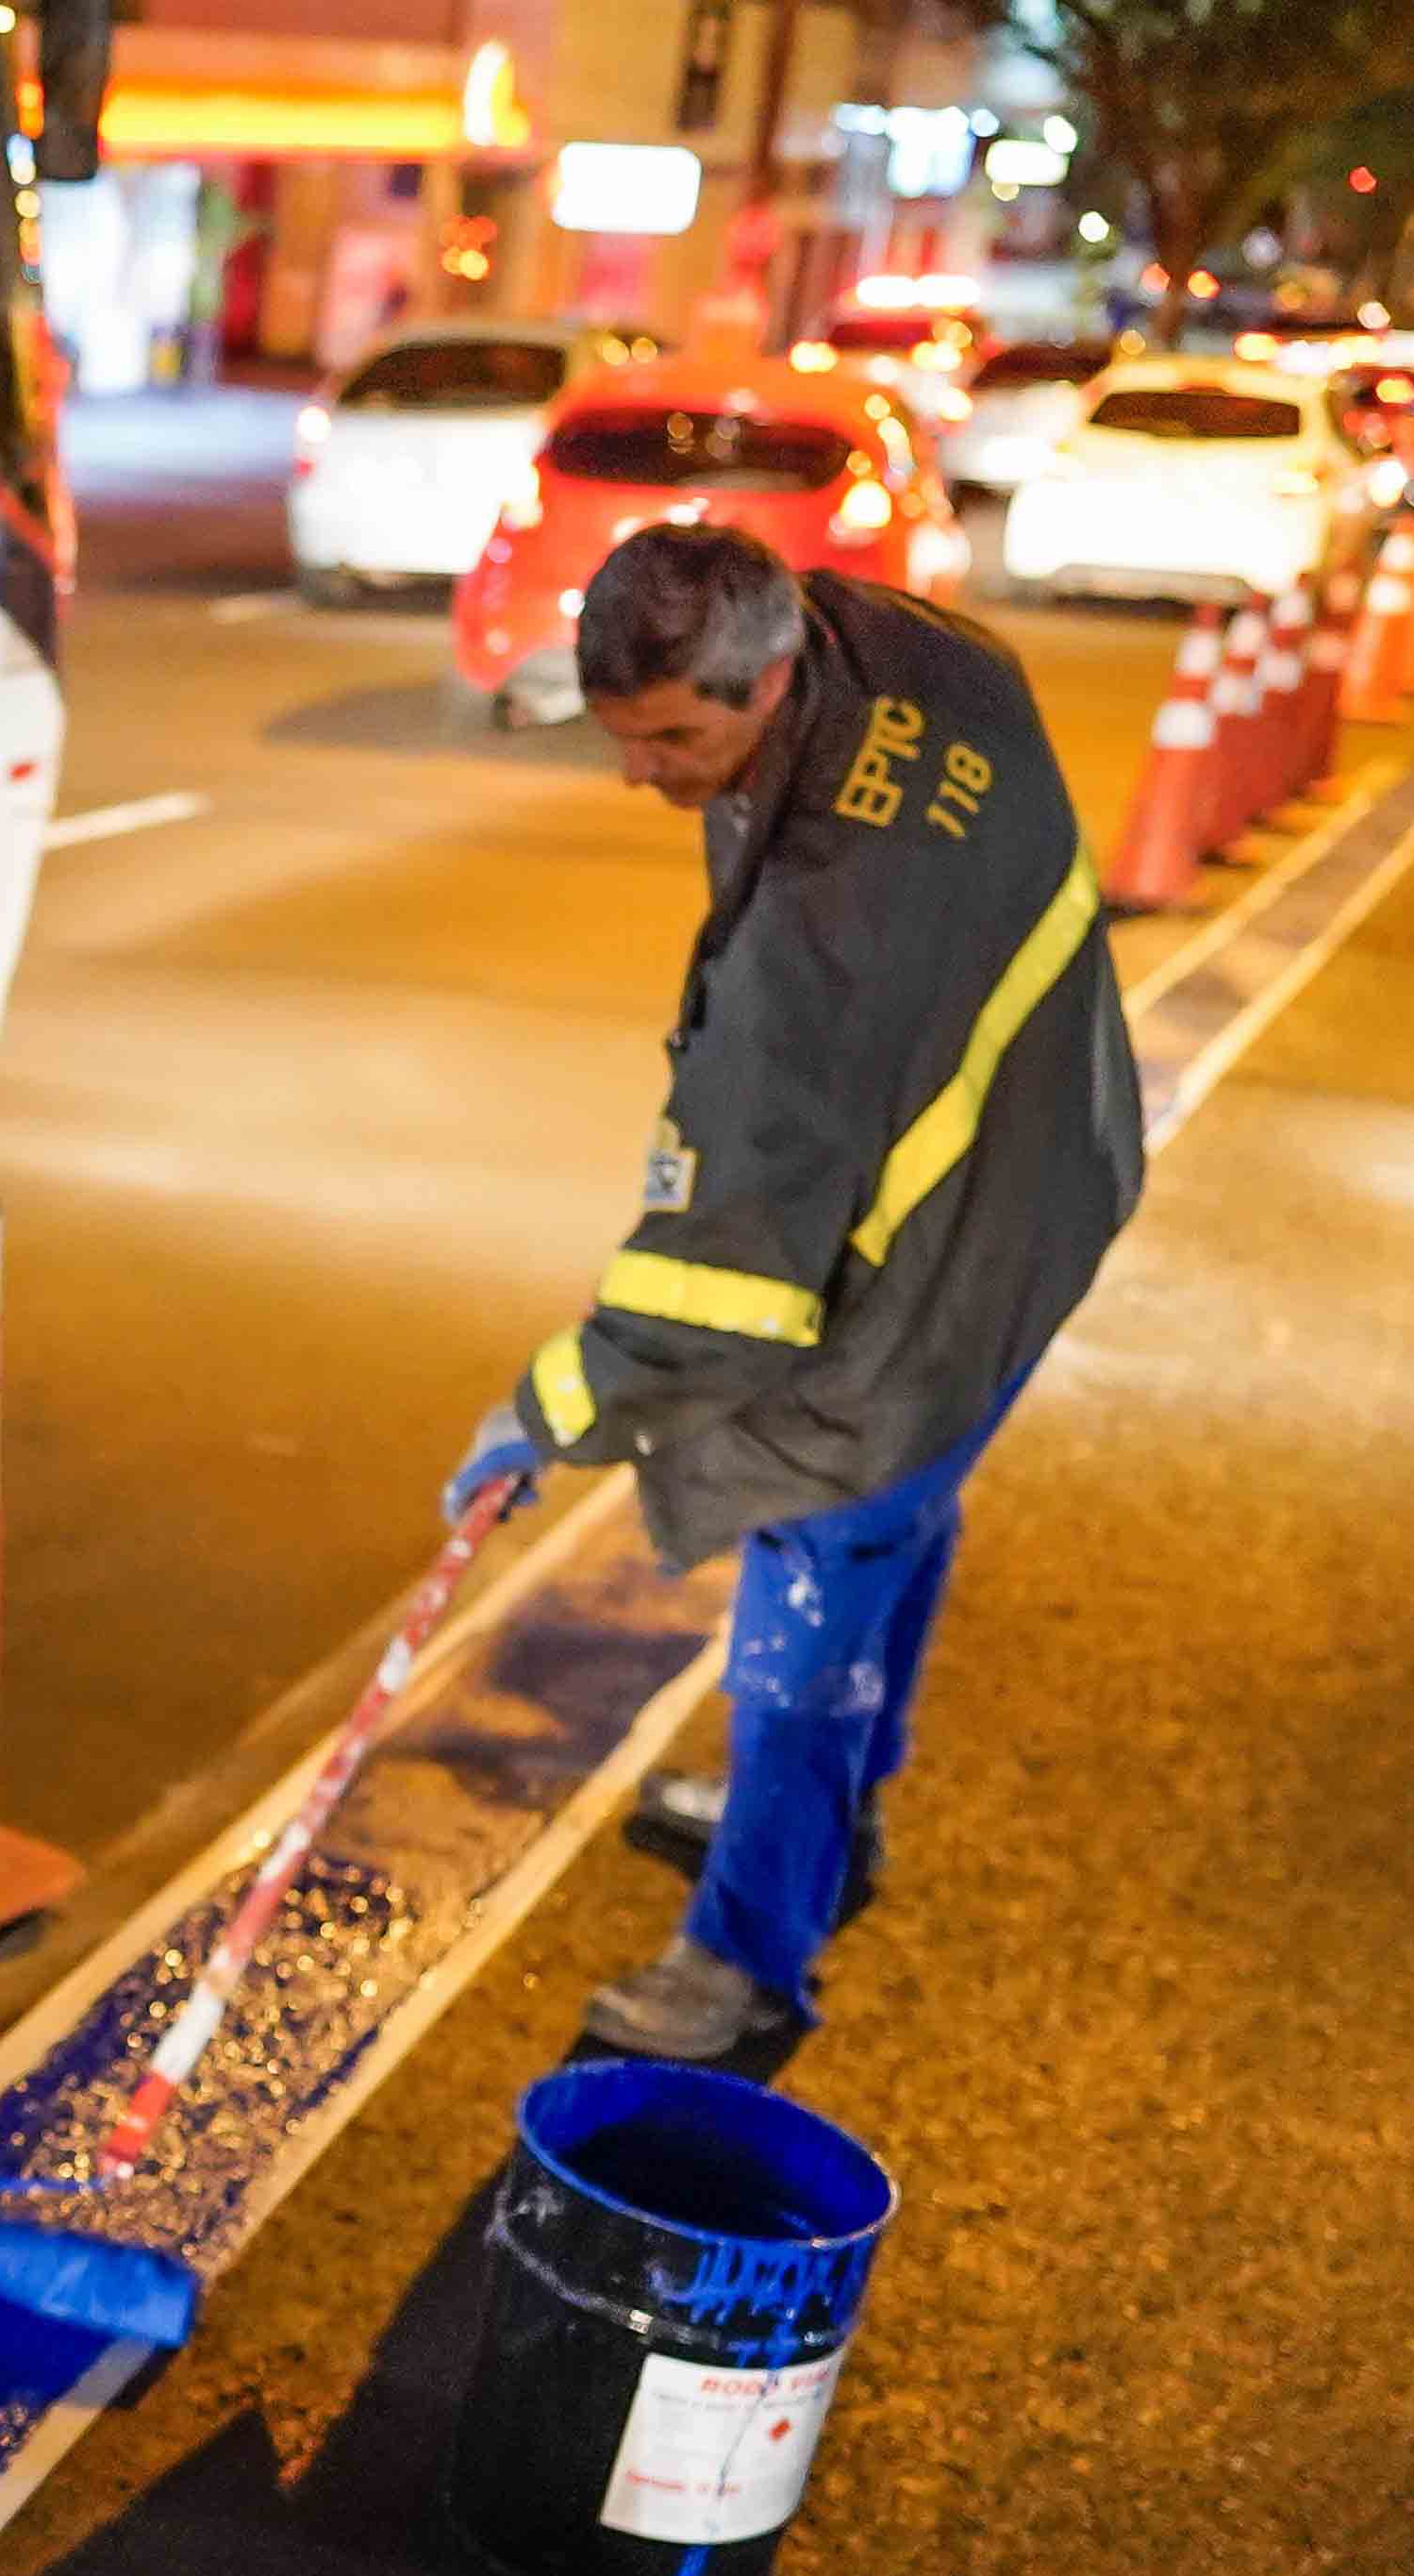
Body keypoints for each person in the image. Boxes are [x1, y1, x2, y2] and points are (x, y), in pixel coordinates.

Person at [447, 521, 1143, 2061]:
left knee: (813, 1568)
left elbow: (722, 1281)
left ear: (771, 679)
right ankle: (834, 1826)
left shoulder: (825, 933)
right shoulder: (906, 646)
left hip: (940, 1259)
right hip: (1056, 1156)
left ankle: (748, 1957)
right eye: (622, 736)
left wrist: (546, 1411)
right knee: (900, 1515)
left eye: (678, 739)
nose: (644, 775)